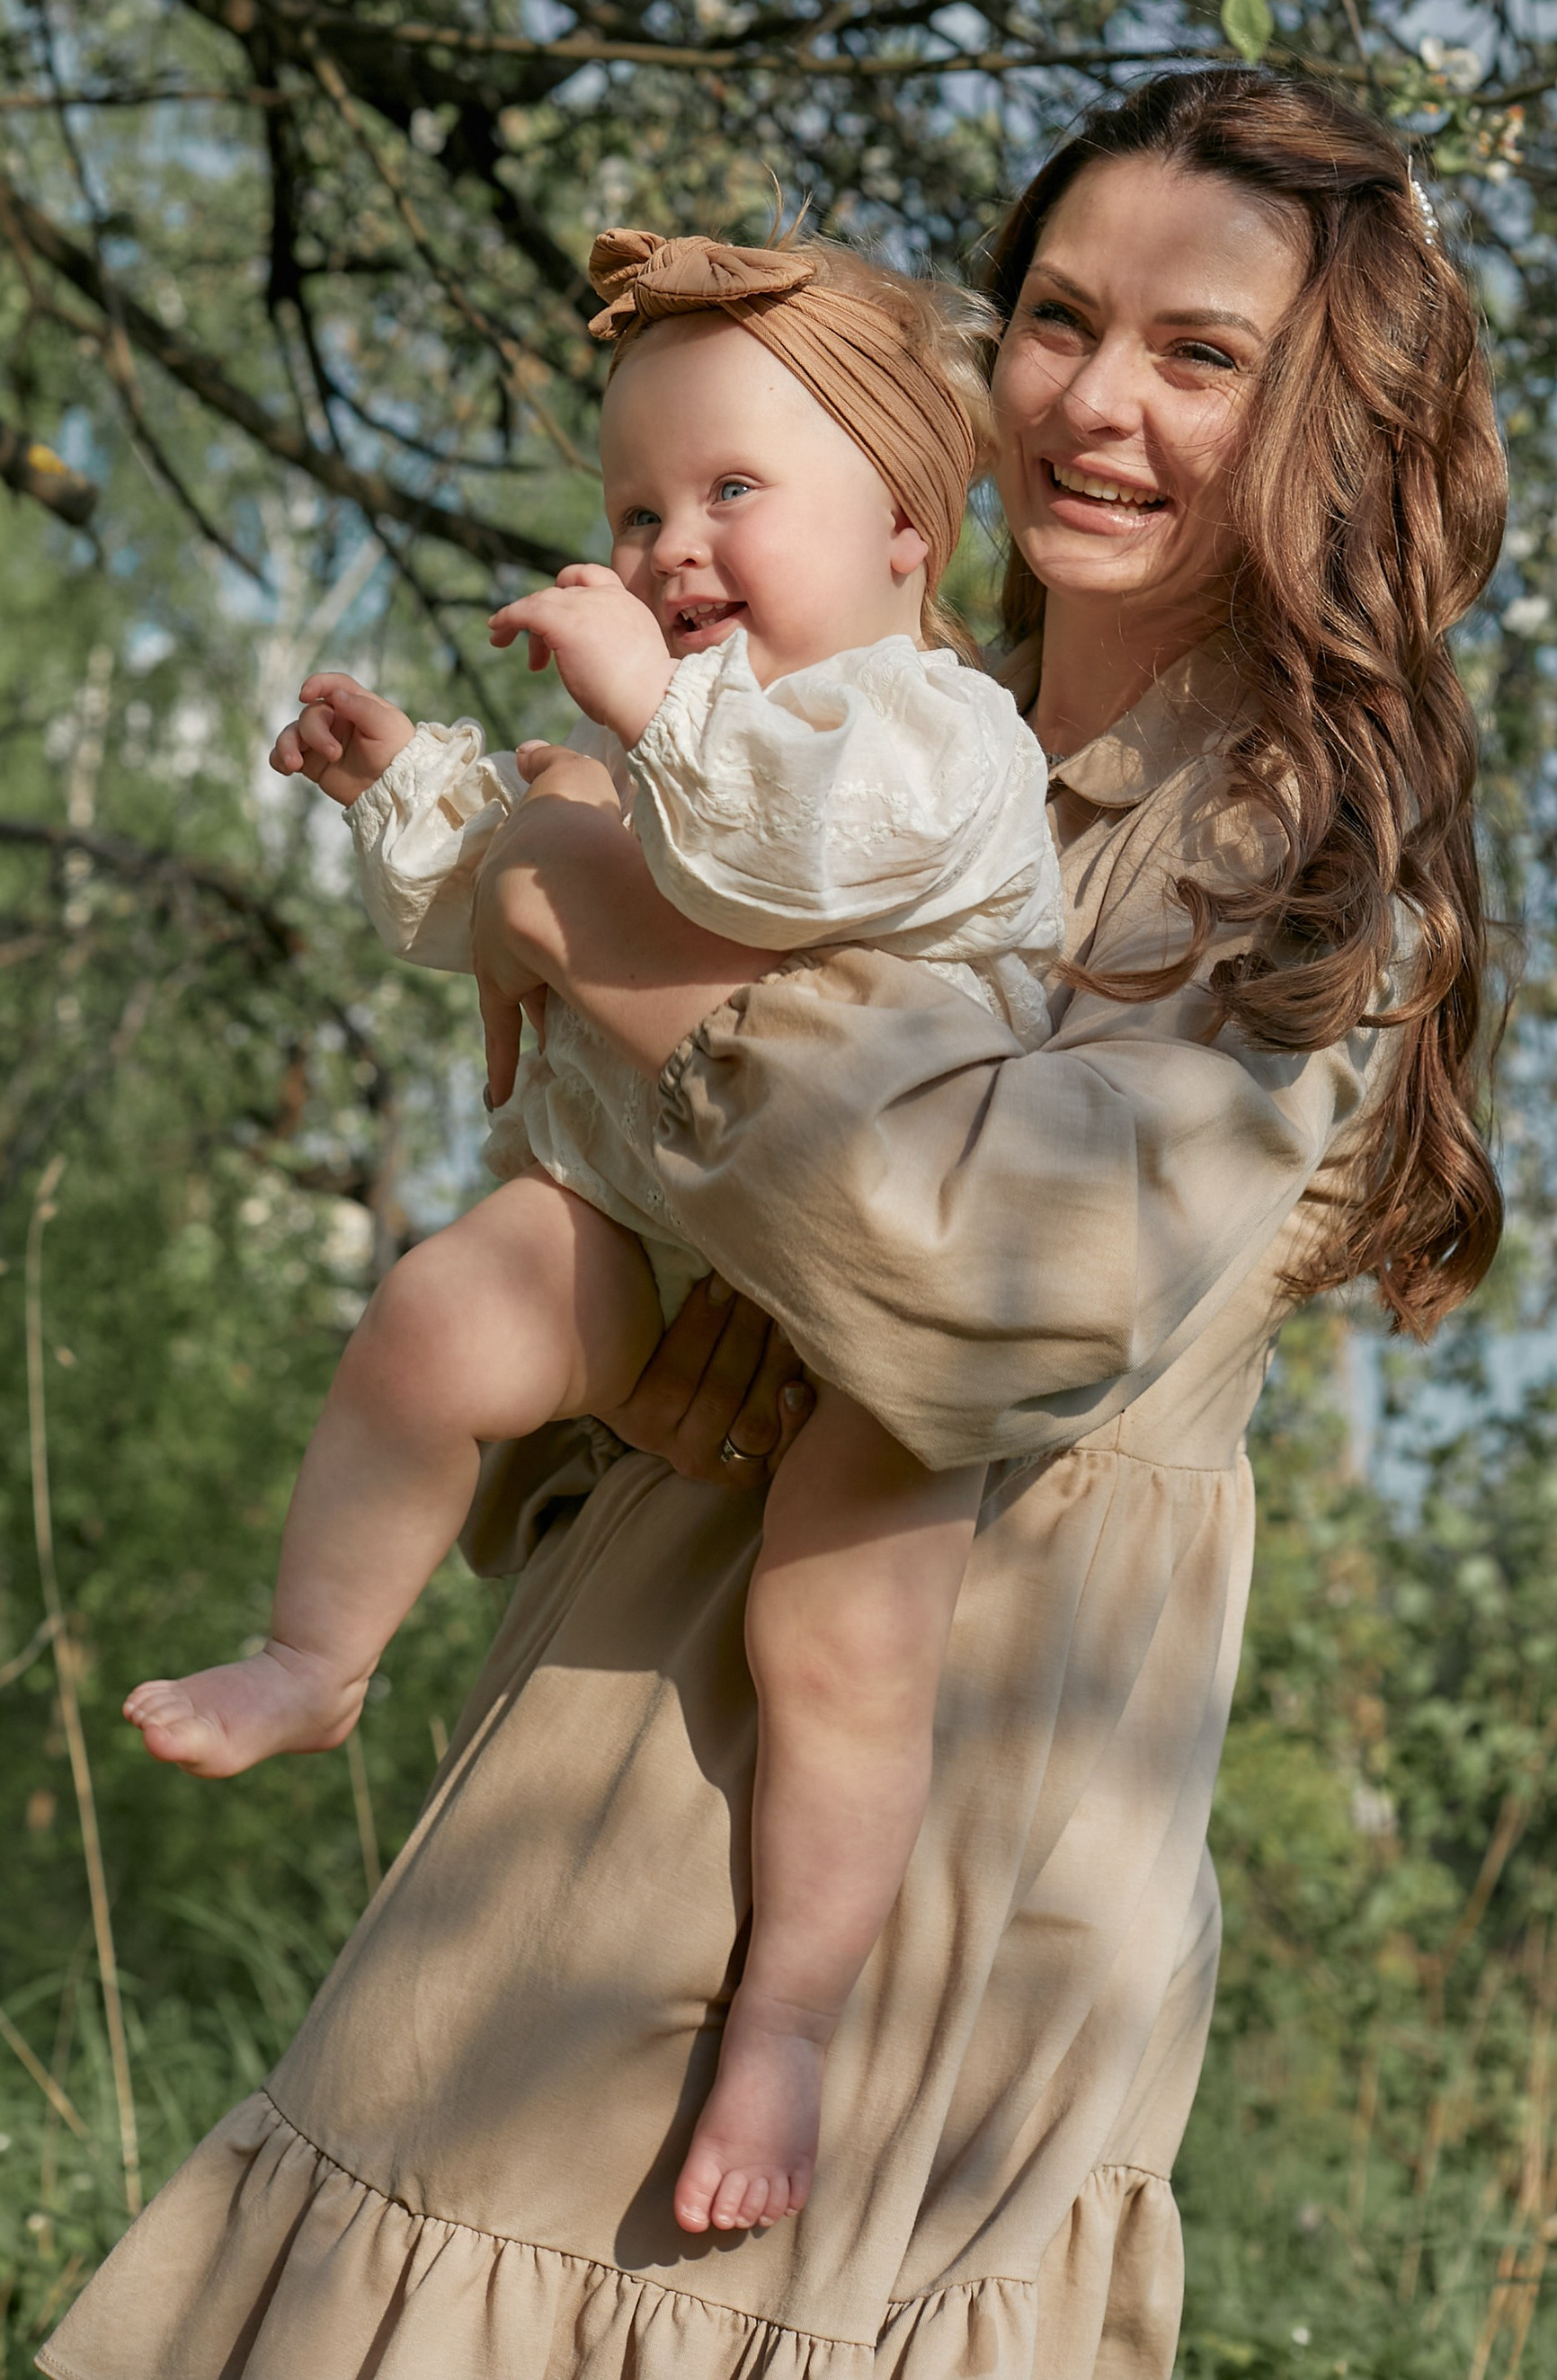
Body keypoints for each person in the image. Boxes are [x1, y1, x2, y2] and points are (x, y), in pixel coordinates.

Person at [42, 64, 1507, 2380]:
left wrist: (559, 898)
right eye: (1052, 318)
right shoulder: (887, 723)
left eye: (1198, 354)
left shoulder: (1295, 856)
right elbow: (646, 1196)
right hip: (624, 1676)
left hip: (939, 1798)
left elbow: (971, 1290)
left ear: (1333, 418)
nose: (1094, 403)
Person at [123, 230, 1061, 2233]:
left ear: (907, 530)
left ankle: (784, 2023)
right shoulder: (690, 734)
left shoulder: (928, 740)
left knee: (839, 1637)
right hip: (666, 1228)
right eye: (636, 506)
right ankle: (314, 1650)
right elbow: (512, 890)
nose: (668, 545)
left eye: (734, 492)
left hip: (885, 1299)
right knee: (439, 1310)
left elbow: (759, 857)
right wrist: (413, 797)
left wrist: (632, 723)